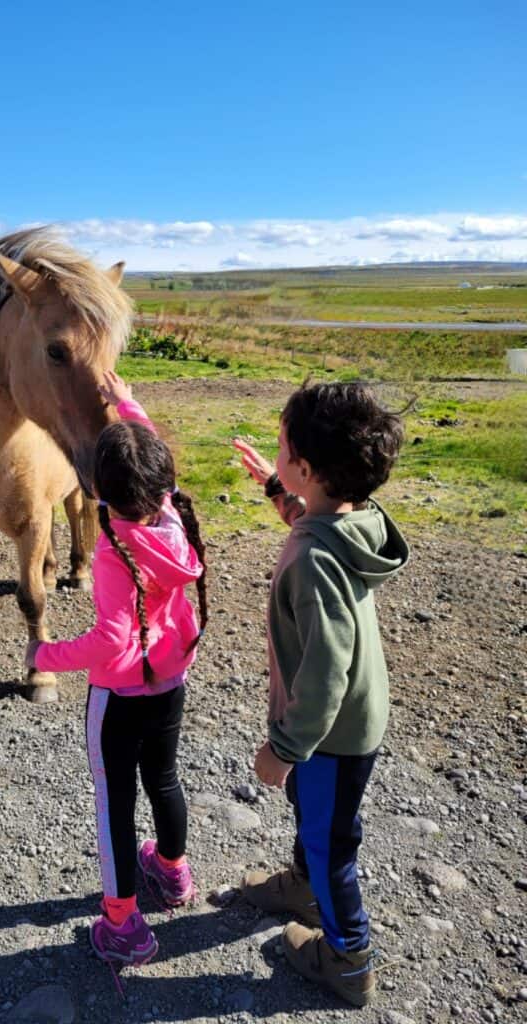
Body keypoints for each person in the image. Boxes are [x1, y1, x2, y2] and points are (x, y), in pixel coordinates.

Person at [233, 382, 409, 1007]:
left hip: (330, 735)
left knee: (333, 842)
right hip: (349, 723)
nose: (275, 454)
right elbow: (318, 519)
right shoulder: (351, 519)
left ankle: (348, 957)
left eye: (283, 451)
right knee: (320, 823)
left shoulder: (313, 561)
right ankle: (305, 885)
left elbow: (326, 671)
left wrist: (284, 748)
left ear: (308, 469)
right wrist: (282, 489)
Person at [25, 370, 207, 971]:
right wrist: (126, 402)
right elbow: (152, 452)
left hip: (120, 694)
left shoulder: (112, 550)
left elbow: (109, 640)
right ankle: (173, 874)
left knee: (115, 807)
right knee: (165, 778)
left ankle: (124, 923)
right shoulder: (171, 515)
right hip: (170, 681)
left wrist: (45, 654)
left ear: (97, 488)